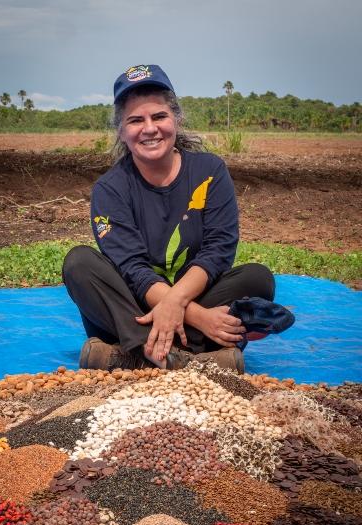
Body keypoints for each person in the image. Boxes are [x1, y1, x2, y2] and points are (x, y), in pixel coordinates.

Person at [62, 64, 275, 373]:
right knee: (79, 264)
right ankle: (183, 358)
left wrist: (176, 304)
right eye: (136, 120)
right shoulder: (110, 189)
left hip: (198, 295)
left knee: (258, 279)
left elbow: (218, 251)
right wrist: (200, 317)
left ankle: (129, 357)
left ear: (177, 119)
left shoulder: (210, 171)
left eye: (159, 116)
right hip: (135, 313)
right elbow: (133, 270)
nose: (150, 128)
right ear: (121, 131)